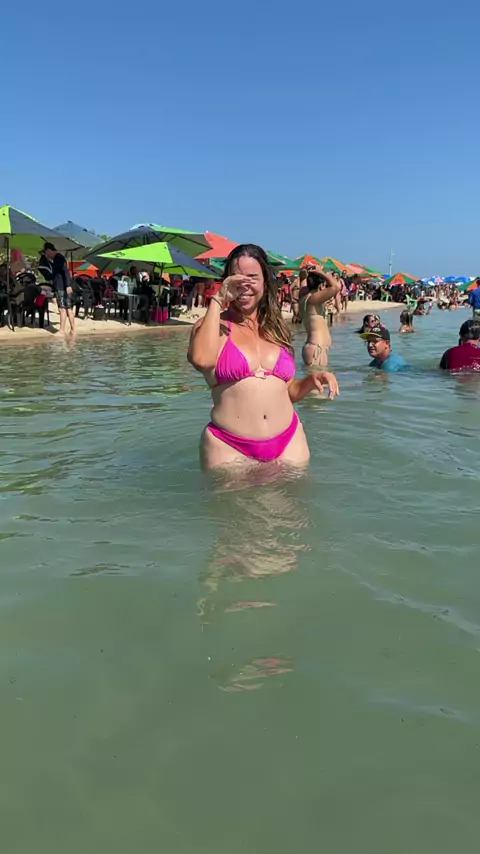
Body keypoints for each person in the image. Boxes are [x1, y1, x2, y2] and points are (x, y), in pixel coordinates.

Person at [188, 244, 339, 470]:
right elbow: (201, 360)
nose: (244, 285)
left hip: (289, 440)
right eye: (237, 278)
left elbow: (286, 390)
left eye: (252, 278)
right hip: (229, 445)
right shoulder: (212, 325)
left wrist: (311, 380)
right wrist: (218, 300)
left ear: (265, 282)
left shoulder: (276, 329)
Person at [299, 264, 341, 367]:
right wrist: (320, 272)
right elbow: (336, 287)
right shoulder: (313, 299)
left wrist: (304, 273)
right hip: (317, 348)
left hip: (313, 347)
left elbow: (303, 279)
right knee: (319, 377)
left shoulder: (303, 295)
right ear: (321, 285)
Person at [41, 243, 75, 334]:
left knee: (62, 309)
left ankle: (62, 331)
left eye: (46, 253)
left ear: (48, 250)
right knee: (69, 309)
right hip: (64, 286)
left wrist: (68, 285)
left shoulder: (58, 259)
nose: (46, 255)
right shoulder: (59, 258)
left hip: (61, 287)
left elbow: (66, 271)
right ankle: (73, 331)